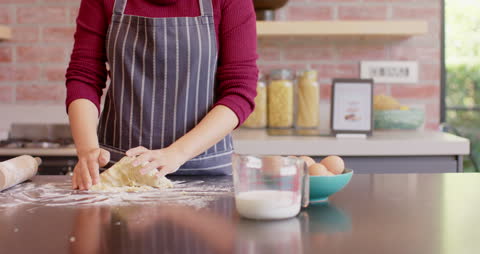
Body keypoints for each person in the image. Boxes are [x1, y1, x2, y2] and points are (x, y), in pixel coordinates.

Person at [66, 0, 258, 190]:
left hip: (206, 175)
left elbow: (239, 91)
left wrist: (176, 153)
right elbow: (84, 77)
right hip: (121, 177)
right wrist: (88, 151)